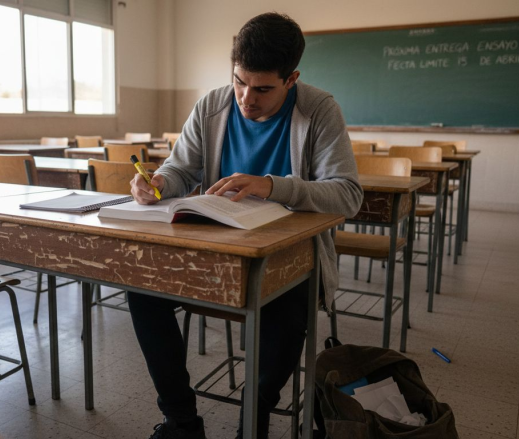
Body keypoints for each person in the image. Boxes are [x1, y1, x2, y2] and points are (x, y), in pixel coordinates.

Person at [128, 12, 363, 439]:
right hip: (216, 247)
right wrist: (160, 182)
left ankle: (252, 420)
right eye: (239, 81)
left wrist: (274, 186)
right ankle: (182, 421)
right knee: (143, 290)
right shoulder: (212, 105)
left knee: (288, 312)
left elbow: (347, 194)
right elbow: (181, 167)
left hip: (290, 258)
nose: (245, 98)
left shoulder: (320, 110)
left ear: (291, 79)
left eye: (262, 88)